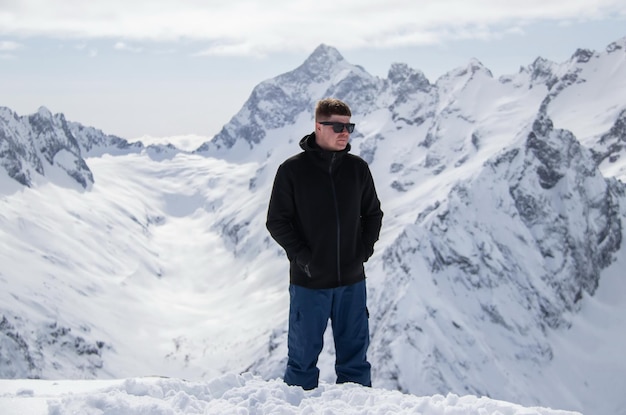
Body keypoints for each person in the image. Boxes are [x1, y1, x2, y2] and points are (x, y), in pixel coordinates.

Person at [266, 98, 383, 390]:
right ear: (319, 127)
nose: (345, 132)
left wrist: (363, 251)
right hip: (309, 283)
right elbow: (277, 221)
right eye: (338, 126)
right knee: (302, 363)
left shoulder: (358, 169)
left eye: (349, 126)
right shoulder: (292, 170)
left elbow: (373, 214)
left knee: (355, 363)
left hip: (352, 283)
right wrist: (304, 257)